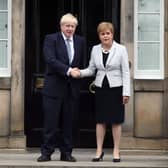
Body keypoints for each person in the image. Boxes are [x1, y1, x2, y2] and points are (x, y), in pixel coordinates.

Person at [74, 22, 130, 162]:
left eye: (108, 33)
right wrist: (79, 72)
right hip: (100, 89)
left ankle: (116, 151)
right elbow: (91, 69)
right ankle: (99, 150)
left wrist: (126, 92)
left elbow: (126, 72)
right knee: (100, 121)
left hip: (116, 89)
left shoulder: (121, 49)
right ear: (99, 36)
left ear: (112, 34)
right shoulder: (95, 49)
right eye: (102, 34)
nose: (105, 36)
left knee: (116, 121)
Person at [37, 13, 84, 162]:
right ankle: (46, 152)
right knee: (50, 123)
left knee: (69, 123)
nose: (70, 28)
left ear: (75, 27)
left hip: (72, 89)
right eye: (67, 25)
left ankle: (66, 152)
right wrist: (70, 71)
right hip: (53, 88)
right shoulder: (51, 39)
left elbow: (82, 63)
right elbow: (50, 60)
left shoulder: (80, 41)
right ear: (61, 26)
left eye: (72, 26)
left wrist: (81, 73)